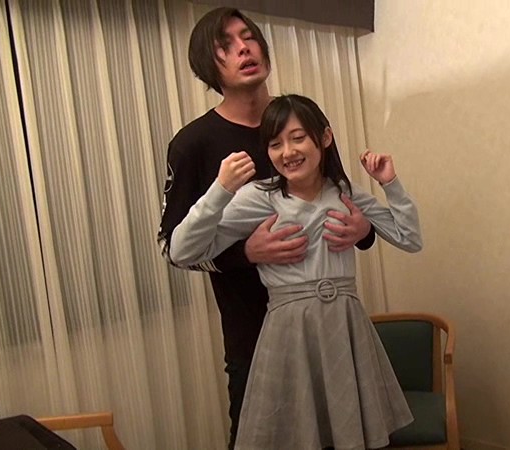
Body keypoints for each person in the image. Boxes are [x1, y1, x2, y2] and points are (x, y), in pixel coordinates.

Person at [156, 8, 375, 448]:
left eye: (248, 36)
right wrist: (245, 254)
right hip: (253, 334)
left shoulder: (299, 120)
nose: (243, 48)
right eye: (225, 45)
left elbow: (338, 198)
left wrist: (364, 229)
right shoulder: (193, 143)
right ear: (208, 65)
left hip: (327, 327)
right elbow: (171, 247)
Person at [170, 94, 421, 449]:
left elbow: (410, 238)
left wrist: (390, 184)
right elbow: (182, 250)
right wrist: (221, 190)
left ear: (325, 137)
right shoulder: (259, 197)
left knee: (350, 435)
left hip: (345, 326)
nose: (287, 152)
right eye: (275, 144)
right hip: (289, 331)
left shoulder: (345, 194)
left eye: (298, 138)